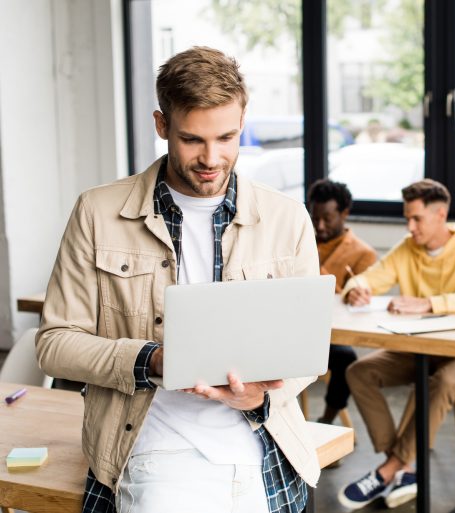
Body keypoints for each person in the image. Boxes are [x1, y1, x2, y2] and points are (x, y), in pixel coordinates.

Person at [36, 47, 320, 513]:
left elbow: (307, 351)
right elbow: (55, 344)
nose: (212, 158)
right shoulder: (97, 213)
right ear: (161, 125)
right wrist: (153, 360)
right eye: (192, 139)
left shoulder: (287, 218)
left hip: (264, 453)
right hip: (152, 455)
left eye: (227, 137)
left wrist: (257, 397)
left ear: (242, 121)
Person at [337, 179, 455, 510]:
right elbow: (370, 277)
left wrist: (430, 304)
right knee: (359, 372)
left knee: (443, 381)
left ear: (440, 214)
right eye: (407, 219)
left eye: (416, 219)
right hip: (420, 349)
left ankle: (388, 470)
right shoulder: (407, 248)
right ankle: (402, 466)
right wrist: (355, 289)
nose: (409, 227)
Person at [307, 179, 377, 425]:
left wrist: (321, 276)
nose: (320, 226)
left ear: (344, 214)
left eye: (327, 218)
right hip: (292, 329)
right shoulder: (301, 241)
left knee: (347, 359)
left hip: (329, 335)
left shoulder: (363, 254)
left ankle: (326, 420)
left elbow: (358, 307)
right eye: (315, 218)